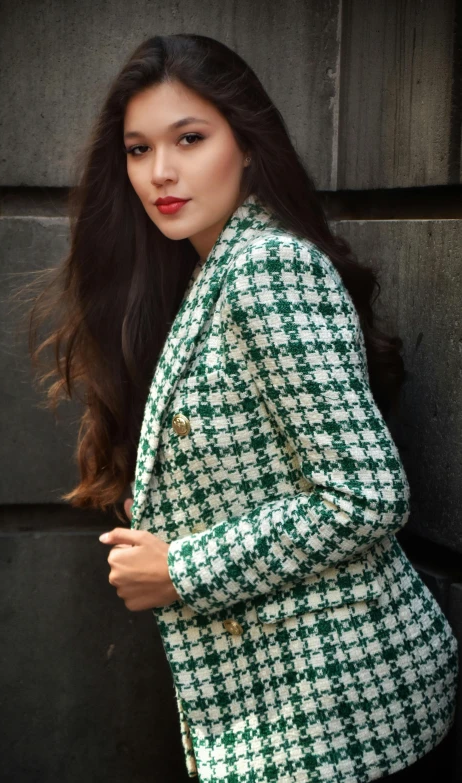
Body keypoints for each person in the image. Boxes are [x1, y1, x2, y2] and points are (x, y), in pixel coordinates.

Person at [28, 33, 458, 783]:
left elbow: (366, 493)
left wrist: (182, 567)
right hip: (286, 710)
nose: (161, 172)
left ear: (248, 145)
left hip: (335, 715)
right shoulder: (209, 272)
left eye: (189, 139)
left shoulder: (268, 266)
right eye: (137, 149)